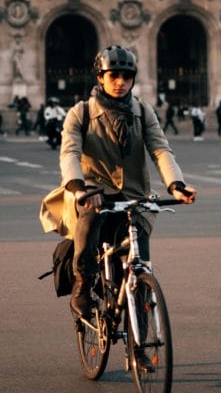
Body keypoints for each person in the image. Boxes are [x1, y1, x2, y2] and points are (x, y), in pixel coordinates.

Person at [59, 45, 196, 322]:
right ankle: (83, 284)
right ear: (101, 77)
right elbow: (70, 152)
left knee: (140, 267)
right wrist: (79, 188)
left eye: (127, 76)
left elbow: (160, 150)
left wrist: (176, 185)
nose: (120, 82)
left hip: (134, 196)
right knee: (89, 221)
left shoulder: (144, 112)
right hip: (96, 193)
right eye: (113, 76)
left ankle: (142, 347)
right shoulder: (81, 113)